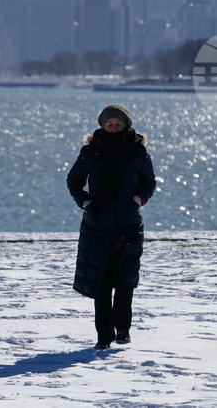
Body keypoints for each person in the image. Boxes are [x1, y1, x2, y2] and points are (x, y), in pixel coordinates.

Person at [66, 104, 156, 350]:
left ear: (126, 125)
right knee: (102, 282)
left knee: (126, 280)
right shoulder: (90, 152)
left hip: (128, 223)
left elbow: (149, 182)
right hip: (98, 224)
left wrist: (138, 199)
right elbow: (73, 180)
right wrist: (85, 202)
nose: (114, 128)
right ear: (102, 127)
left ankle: (123, 330)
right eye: (109, 125)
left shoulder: (138, 152)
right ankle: (103, 336)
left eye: (118, 124)